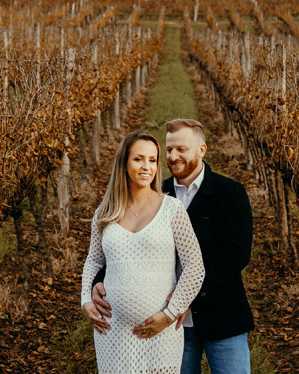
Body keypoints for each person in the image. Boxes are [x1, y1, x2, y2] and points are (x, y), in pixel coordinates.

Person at [89, 119, 254, 374]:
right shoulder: (157, 193)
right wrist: (98, 281)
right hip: (170, 327)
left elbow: (236, 254)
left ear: (202, 150)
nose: (173, 156)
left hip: (221, 316)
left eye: (181, 149)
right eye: (168, 150)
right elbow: (128, 245)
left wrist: (186, 298)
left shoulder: (229, 193)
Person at [80, 129, 206, 374]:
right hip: (112, 332)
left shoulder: (172, 209)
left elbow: (194, 266)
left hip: (161, 332)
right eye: (138, 159)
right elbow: (93, 261)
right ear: (124, 163)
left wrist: (170, 313)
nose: (147, 166)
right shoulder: (104, 214)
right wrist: (86, 300)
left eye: (152, 160)